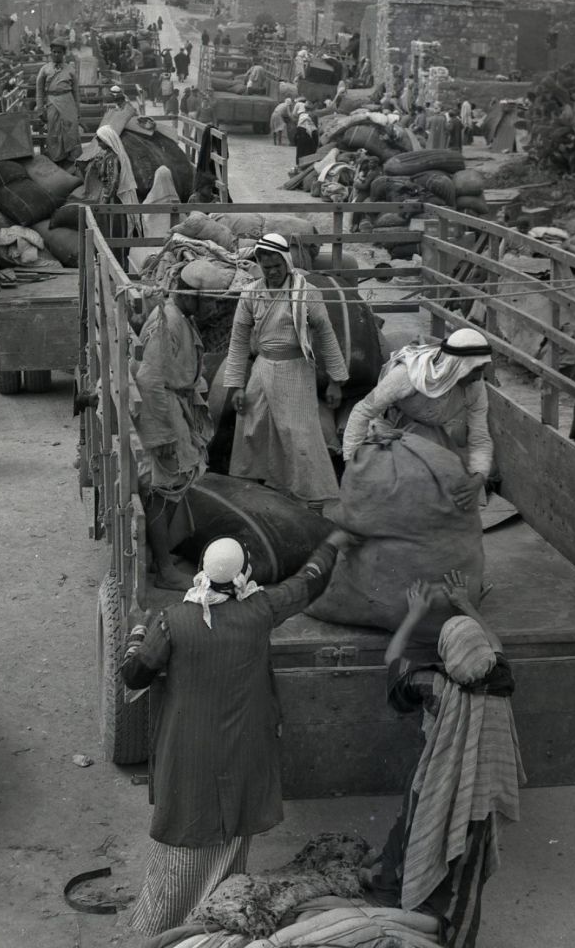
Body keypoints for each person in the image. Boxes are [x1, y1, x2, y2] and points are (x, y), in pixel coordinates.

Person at [121, 532, 341, 935]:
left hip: (188, 754)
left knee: (182, 836)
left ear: (202, 571)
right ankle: (214, 923)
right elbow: (306, 583)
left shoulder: (173, 620)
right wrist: (332, 544)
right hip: (243, 750)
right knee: (231, 832)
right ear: (243, 575)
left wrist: (137, 632)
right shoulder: (261, 610)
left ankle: (162, 928)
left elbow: (135, 674)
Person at [364, 573, 525, 947]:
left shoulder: (431, 685)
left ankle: (392, 914)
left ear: (446, 650)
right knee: (462, 877)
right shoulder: (499, 680)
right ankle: (453, 934)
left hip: (433, 787)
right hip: (478, 799)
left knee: (407, 847)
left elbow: (393, 663)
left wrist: (413, 615)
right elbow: (495, 646)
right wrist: (469, 607)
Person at [223, 233, 348, 508]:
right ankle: (262, 494)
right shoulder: (251, 293)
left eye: (277, 266)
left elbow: (327, 336)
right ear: (259, 266)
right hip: (262, 370)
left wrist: (335, 382)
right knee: (252, 429)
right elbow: (238, 342)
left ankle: (311, 497)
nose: (273, 272)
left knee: (298, 434)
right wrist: (236, 386)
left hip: (296, 370)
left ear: (287, 263)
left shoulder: (306, 294)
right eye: (266, 268)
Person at [343, 329, 494, 510]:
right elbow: (362, 412)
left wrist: (478, 478)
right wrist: (351, 466)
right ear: (457, 366)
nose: (478, 377)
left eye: (481, 370)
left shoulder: (476, 387)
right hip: (391, 427)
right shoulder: (406, 376)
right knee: (389, 490)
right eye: (475, 370)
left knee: (450, 489)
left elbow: (480, 437)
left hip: (431, 433)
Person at [131, 284, 214, 588]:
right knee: (163, 489)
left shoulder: (180, 318)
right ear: (192, 294)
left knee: (174, 484)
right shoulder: (167, 323)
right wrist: (162, 436)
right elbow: (149, 380)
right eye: (210, 300)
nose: (214, 309)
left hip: (174, 405)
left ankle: (158, 554)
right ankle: (165, 569)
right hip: (163, 410)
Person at [35, 41, 80, 165]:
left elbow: (76, 92)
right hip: (52, 102)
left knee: (71, 128)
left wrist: (77, 110)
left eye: (59, 52)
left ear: (63, 54)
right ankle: (57, 158)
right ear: (51, 53)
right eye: (54, 52)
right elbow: (39, 91)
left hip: (68, 101)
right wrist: (40, 109)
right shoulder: (45, 69)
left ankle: (72, 158)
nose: (56, 54)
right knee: (54, 130)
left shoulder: (70, 70)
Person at [292, 101, 318, 168]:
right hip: (307, 137)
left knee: (300, 153)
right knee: (308, 154)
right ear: (312, 110)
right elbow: (314, 131)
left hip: (300, 136)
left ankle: (299, 166)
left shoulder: (302, 116)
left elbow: (298, 128)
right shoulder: (312, 117)